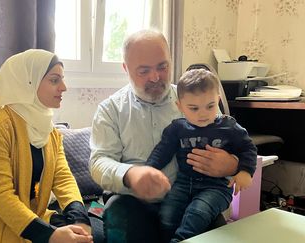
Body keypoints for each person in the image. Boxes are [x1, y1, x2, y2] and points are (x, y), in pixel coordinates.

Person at [89, 29, 239, 243]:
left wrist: (231, 164)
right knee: (117, 211)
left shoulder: (196, 101)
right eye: (144, 70)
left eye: (162, 66)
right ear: (126, 68)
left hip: (189, 199)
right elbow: (98, 162)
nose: (155, 77)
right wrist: (131, 174)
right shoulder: (110, 110)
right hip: (132, 202)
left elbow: (234, 141)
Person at [0, 49, 94, 243]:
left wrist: (80, 220)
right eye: (55, 80)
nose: (64, 87)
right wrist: (51, 236)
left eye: (62, 79)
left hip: (32, 218)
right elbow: (1, 196)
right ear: (28, 83)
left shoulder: (50, 132)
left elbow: (63, 178)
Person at [146, 68, 257, 242]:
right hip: (183, 183)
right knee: (167, 214)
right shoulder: (177, 128)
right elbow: (162, 151)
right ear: (180, 106)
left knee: (197, 212)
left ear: (218, 100)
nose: (203, 113)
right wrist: (148, 170)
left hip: (217, 187)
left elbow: (248, 148)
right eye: (194, 108)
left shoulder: (229, 126)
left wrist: (245, 171)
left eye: (210, 106)